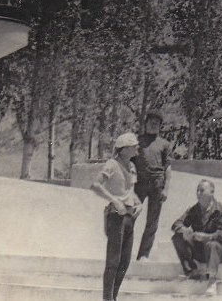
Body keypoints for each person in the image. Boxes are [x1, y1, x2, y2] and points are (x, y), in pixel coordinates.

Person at [90, 132, 143, 301]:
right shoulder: (112, 164)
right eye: (133, 146)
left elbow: (130, 191)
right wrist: (115, 201)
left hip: (129, 217)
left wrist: (139, 203)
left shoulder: (132, 166)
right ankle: (107, 298)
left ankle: (113, 297)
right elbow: (95, 185)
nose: (137, 148)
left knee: (125, 262)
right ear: (124, 149)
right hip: (115, 216)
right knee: (113, 261)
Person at [171, 179, 222, 285]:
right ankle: (191, 271)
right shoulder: (193, 210)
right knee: (177, 237)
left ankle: (211, 281)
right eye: (197, 190)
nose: (198, 193)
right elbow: (176, 224)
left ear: (212, 192)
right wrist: (185, 231)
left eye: (202, 190)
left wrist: (206, 237)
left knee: (212, 245)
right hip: (201, 250)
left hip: (220, 250)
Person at [131, 110, 172, 261]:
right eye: (151, 122)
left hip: (157, 184)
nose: (154, 125)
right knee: (130, 217)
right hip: (139, 184)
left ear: (160, 126)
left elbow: (167, 167)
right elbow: (129, 163)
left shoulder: (164, 144)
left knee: (152, 222)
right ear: (146, 123)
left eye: (157, 123)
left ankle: (143, 255)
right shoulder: (136, 142)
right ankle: (124, 251)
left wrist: (166, 188)